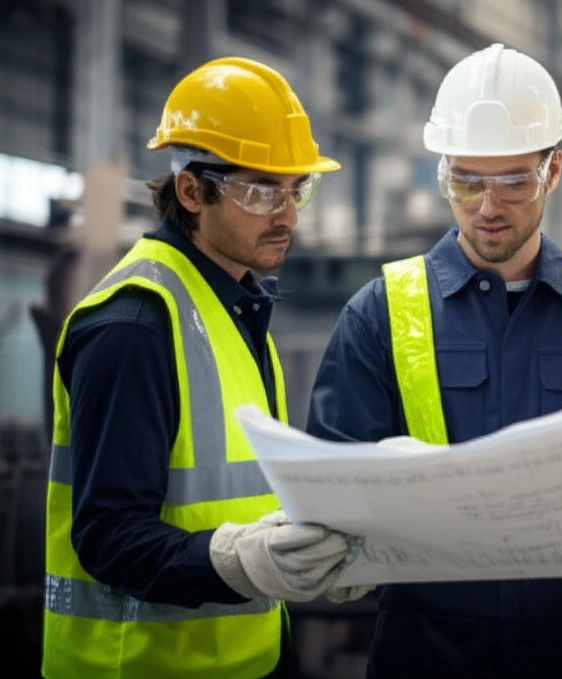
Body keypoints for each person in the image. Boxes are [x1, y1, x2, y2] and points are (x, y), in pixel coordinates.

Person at [307, 43, 562, 679]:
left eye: (514, 181)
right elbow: (328, 489)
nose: (488, 206)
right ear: (444, 174)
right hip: (424, 649)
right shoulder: (380, 312)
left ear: (553, 171)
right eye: (467, 181)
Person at [42, 57, 367, 679]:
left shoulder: (236, 308)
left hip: (247, 660)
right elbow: (108, 536)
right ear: (191, 191)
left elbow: (243, 501)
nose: (289, 215)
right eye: (260, 191)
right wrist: (240, 561)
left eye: (296, 189)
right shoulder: (136, 325)